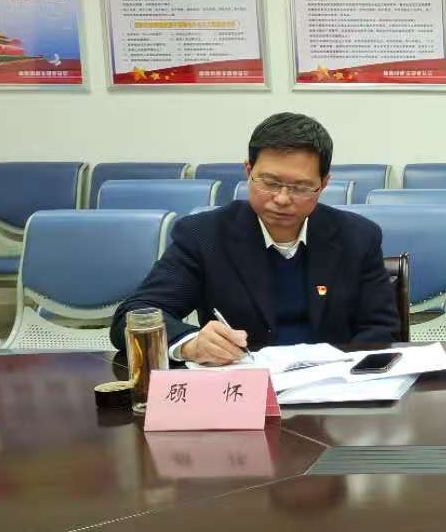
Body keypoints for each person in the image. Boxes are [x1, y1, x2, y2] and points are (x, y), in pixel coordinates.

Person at [110, 112, 397, 365]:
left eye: (300, 187)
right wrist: (189, 344)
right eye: (270, 183)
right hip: (241, 389)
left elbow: (381, 328)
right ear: (248, 171)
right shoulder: (204, 236)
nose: (282, 199)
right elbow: (133, 317)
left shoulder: (358, 237)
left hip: (331, 389)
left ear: (323, 184)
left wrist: (345, 373)